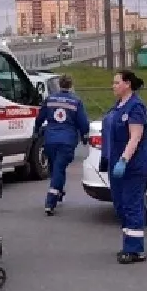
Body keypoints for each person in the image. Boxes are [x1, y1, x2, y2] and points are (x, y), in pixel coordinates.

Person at [99, 70, 147, 264]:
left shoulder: (135, 106)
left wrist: (123, 160)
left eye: (116, 82)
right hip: (116, 162)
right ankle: (129, 241)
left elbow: (135, 136)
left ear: (127, 84)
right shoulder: (118, 106)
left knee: (132, 205)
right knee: (120, 204)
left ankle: (135, 249)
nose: (113, 86)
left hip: (133, 165)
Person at [34, 74, 90, 215]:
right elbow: (83, 122)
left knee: (56, 167)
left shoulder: (50, 99)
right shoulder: (76, 101)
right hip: (67, 140)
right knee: (59, 168)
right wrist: (84, 136)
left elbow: (40, 117)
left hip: (50, 139)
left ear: (59, 84)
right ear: (71, 85)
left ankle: (58, 191)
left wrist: (36, 131)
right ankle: (50, 201)